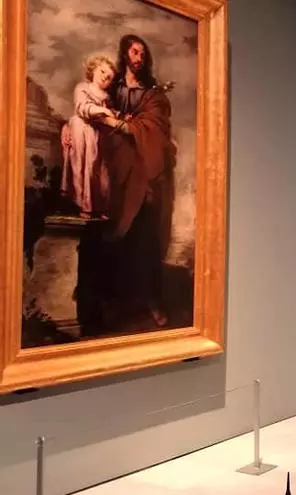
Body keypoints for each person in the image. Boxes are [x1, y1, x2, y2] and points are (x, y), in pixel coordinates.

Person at [96, 34, 177, 327]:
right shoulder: (112, 88)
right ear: (125, 54)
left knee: (147, 237)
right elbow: (92, 109)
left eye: (143, 53)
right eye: (134, 51)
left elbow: (155, 126)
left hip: (144, 173)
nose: (139, 57)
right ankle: (115, 302)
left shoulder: (152, 95)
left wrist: (123, 125)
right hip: (117, 171)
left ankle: (152, 300)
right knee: (116, 235)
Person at [61, 54, 117, 219]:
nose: (105, 78)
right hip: (80, 130)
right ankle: (84, 205)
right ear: (93, 70)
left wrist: (116, 114)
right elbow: (83, 108)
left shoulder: (107, 98)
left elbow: (112, 114)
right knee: (81, 166)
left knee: (97, 169)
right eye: (102, 72)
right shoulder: (82, 88)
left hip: (97, 134)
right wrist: (102, 110)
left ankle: (98, 206)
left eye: (109, 77)